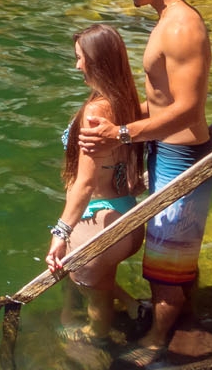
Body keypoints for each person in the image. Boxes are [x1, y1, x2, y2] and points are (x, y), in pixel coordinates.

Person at [79, 0, 212, 366]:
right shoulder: (168, 20)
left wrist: (122, 135)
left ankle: (157, 340)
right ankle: (182, 320)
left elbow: (188, 109)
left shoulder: (180, 27)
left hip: (181, 157)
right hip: (168, 152)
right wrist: (120, 119)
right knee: (169, 254)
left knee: (165, 265)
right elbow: (162, 102)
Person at [45, 25, 146, 350]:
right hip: (126, 214)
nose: (77, 66)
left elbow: (86, 183)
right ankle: (132, 306)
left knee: (96, 302)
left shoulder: (94, 113)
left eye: (80, 58)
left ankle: (93, 345)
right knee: (99, 282)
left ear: (97, 62)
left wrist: (60, 232)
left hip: (98, 220)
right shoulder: (128, 101)